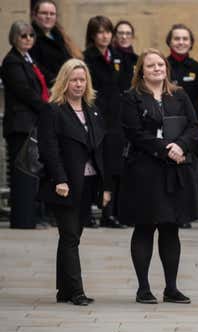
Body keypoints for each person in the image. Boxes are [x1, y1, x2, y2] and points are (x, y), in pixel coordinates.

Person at [119, 48, 198, 304]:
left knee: (170, 228)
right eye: (151, 65)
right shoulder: (131, 97)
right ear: (141, 70)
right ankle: (143, 288)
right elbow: (134, 133)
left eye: (161, 65)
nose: (157, 69)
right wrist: (166, 149)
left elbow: (194, 126)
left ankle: (171, 288)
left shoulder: (179, 94)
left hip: (175, 171)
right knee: (145, 227)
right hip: (145, 171)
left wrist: (181, 146)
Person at [37, 58, 111, 306]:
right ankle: (77, 291)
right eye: (73, 80)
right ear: (64, 82)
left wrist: (106, 186)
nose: (78, 84)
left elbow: (100, 150)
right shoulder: (53, 110)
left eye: (82, 80)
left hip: (88, 183)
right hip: (65, 183)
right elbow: (49, 149)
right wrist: (60, 179)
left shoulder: (93, 110)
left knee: (72, 236)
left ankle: (64, 290)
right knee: (70, 236)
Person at [1, 21, 49, 229]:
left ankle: (32, 216)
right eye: (23, 36)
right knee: (22, 172)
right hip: (20, 125)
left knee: (32, 172)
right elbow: (24, 92)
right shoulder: (12, 61)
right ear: (14, 38)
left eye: (31, 35)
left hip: (32, 123)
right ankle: (22, 219)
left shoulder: (29, 59)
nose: (28, 39)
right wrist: (47, 108)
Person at [84, 15, 130, 228]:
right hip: (97, 118)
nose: (104, 36)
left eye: (107, 31)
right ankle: (91, 211)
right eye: (100, 32)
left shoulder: (119, 56)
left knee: (115, 167)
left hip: (117, 120)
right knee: (96, 167)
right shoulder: (87, 58)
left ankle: (111, 213)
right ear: (93, 35)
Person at [165, 23, 198, 191]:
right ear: (169, 42)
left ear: (190, 43)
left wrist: (188, 119)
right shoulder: (162, 67)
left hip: (191, 131)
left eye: (185, 39)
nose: (180, 42)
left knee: (190, 180)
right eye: (176, 38)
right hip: (166, 131)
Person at [30, 0, 82, 86]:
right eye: (44, 13)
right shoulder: (30, 38)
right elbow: (36, 68)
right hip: (49, 89)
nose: (48, 16)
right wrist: (59, 82)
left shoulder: (60, 36)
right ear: (35, 15)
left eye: (52, 14)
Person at [113, 20, 138, 89]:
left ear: (132, 36)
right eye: (120, 33)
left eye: (128, 33)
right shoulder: (109, 57)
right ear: (115, 36)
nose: (124, 37)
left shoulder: (137, 60)